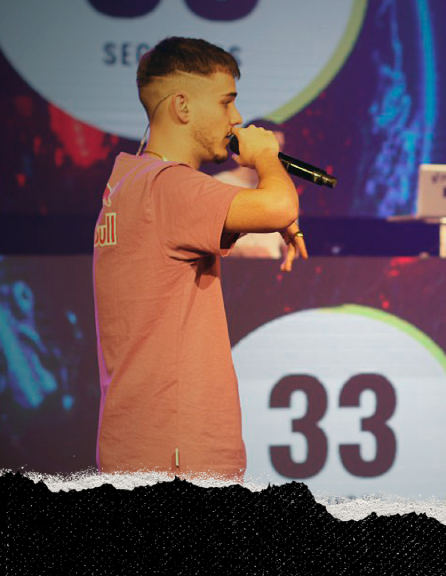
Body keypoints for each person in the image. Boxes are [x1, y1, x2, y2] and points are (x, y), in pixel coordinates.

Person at [92, 37, 307, 480]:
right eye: (227, 102)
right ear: (183, 106)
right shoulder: (169, 186)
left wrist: (260, 216)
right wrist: (266, 158)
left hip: (143, 443)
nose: (237, 118)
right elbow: (280, 206)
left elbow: (250, 214)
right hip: (178, 454)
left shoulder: (130, 181)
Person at [213, 119, 290, 259]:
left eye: (280, 147)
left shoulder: (281, 190)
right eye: (270, 147)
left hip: (272, 269)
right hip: (232, 268)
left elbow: (287, 239)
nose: (276, 153)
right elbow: (202, 240)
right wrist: (240, 252)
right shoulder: (217, 185)